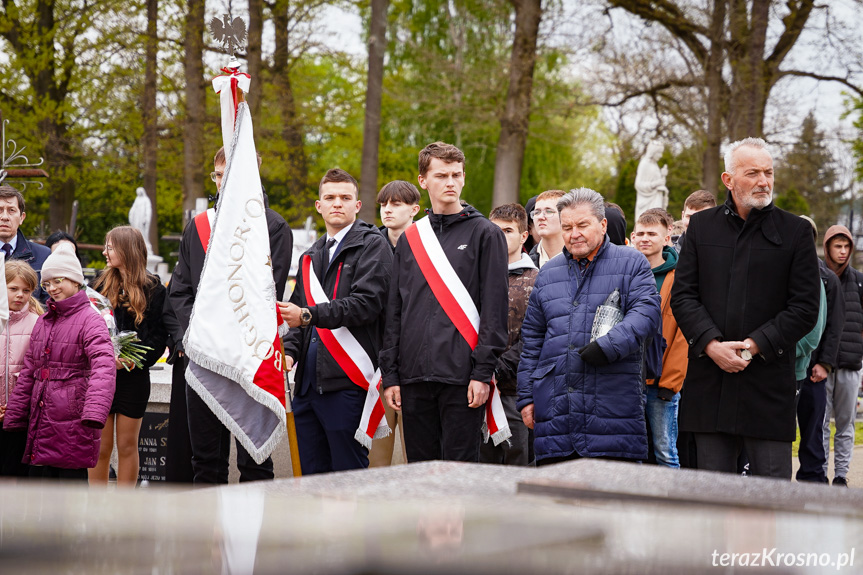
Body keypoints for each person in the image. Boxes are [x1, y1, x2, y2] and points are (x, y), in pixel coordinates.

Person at [670, 137, 820, 479]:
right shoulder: (702, 228)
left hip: (767, 385)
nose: (764, 181)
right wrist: (711, 344)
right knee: (713, 498)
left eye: (768, 172)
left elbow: (804, 307)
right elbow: (683, 296)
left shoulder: (794, 231)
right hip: (710, 382)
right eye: (753, 173)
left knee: (769, 501)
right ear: (728, 179)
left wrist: (753, 346)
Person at [168, 147, 293, 484]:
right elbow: (179, 290)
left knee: (255, 462)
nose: (223, 182)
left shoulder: (274, 227)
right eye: (219, 175)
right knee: (205, 462)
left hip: (249, 357)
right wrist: (192, 340)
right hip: (205, 356)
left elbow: (269, 292)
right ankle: (209, 535)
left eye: (231, 174)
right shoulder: (199, 225)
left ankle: (249, 535)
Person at [381, 141, 508, 463]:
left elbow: (495, 311)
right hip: (412, 377)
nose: (450, 182)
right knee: (420, 474)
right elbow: (395, 310)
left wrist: (482, 373)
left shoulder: (486, 233)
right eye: (441, 175)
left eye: (456, 175)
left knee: (458, 475)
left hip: (462, 378)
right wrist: (392, 375)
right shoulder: (412, 237)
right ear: (423, 181)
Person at [518, 188, 661, 465]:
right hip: (557, 414)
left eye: (582, 225)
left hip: (613, 412)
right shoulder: (548, 273)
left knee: (610, 504)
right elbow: (532, 340)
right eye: (568, 227)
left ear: (603, 224)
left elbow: (646, 313)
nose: (574, 234)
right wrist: (526, 396)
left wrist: (607, 347)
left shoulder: (631, 263)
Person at [280, 169, 392, 474]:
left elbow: (365, 305)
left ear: (358, 205)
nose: (337, 204)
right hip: (306, 387)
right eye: (330, 197)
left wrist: (307, 316)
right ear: (319, 206)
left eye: (345, 197)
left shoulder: (372, 245)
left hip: (347, 383)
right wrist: (289, 352)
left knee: (347, 478)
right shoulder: (310, 255)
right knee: (311, 480)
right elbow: (298, 310)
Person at [3, 243, 116, 480]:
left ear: (75, 281)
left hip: (74, 422)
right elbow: (29, 372)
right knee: (39, 497)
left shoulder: (91, 320)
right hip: (41, 420)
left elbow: (103, 368)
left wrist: (95, 411)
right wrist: (15, 414)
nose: (52, 288)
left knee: (68, 496)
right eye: (47, 283)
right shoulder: (45, 321)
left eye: (58, 280)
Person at [89, 226, 168, 486]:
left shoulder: (154, 288)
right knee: (99, 448)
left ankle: (125, 511)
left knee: (126, 445)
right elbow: (87, 326)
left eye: (110, 247)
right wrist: (104, 358)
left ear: (126, 249)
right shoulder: (99, 284)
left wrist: (134, 359)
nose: (104, 252)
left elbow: (159, 337)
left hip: (134, 377)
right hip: (101, 376)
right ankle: (96, 509)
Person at [479, 203, 537, 466]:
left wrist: (499, 368)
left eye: (508, 231)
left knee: (517, 463)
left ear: (524, 236)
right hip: (476, 387)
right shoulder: (473, 275)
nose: (500, 237)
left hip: (515, 391)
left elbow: (537, 336)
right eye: (494, 230)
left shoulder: (537, 279)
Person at [369, 180, 421, 467]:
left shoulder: (431, 247)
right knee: (376, 459)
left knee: (418, 456)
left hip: (416, 363)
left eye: (396, 203)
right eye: (384, 203)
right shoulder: (368, 247)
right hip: (376, 364)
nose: (387, 209)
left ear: (414, 209)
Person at [631, 209, 687, 468]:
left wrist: (670, 383)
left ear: (667, 238)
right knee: (632, 450)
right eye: (640, 233)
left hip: (660, 382)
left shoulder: (678, 279)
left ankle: (671, 506)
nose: (645, 238)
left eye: (652, 233)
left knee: (665, 451)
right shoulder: (625, 273)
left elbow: (681, 337)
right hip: (628, 380)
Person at [794, 217, 843, 485]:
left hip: (814, 369)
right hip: (787, 365)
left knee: (813, 428)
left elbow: (834, 325)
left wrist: (824, 363)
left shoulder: (827, 278)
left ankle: (813, 479)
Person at [820, 224, 863, 487]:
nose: (843, 251)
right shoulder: (818, 277)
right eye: (838, 246)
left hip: (849, 364)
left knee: (846, 426)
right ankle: (820, 473)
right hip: (821, 367)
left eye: (847, 246)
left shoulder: (859, 281)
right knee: (820, 425)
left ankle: (840, 476)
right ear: (827, 248)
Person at [0, 261, 44, 477]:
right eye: (13, 289)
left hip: (22, 414)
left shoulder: (37, 323)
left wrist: (15, 406)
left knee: (15, 472)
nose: (20, 295)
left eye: (26, 290)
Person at [0, 186, 51, 302]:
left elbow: (49, 303)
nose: (4, 217)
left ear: (22, 217)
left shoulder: (43, 255)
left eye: (11, 210)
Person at [528, 190, 566, 268]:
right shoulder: (526, 264)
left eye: (549, 211)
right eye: (537, 212)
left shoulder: (582, 260)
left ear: (565, 216)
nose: (541, 217)